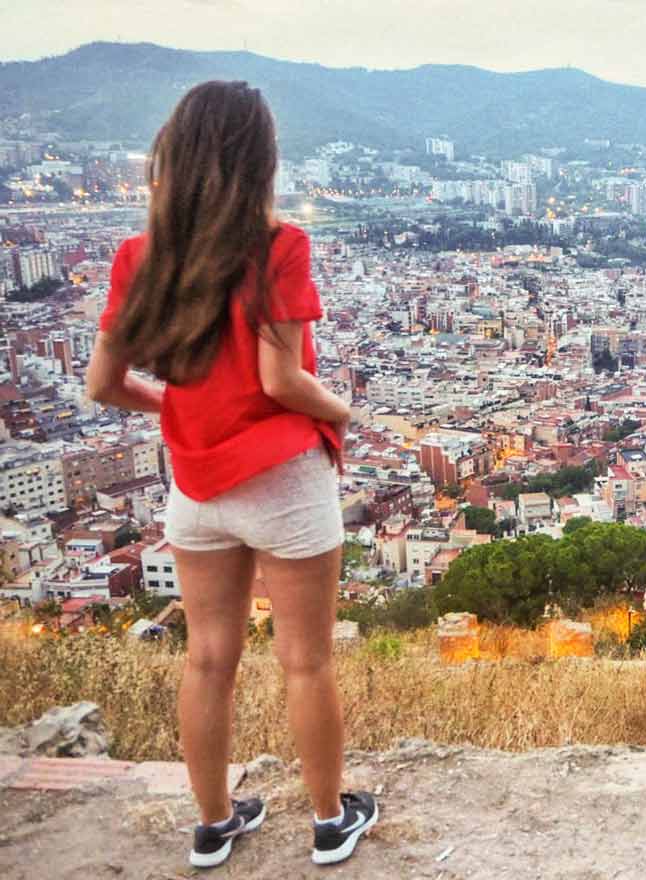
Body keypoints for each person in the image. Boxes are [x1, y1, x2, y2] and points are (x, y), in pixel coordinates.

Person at [86, 80, 378, 869]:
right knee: (305, 659)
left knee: (208, 657)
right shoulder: (277, 246)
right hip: (282, 476)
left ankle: (214, 824)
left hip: (197, 486)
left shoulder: (138, 257)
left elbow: (102, 384)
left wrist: (178, 408)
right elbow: (281, 380)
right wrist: (342, 412)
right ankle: (327, 819)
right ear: (260, 161)